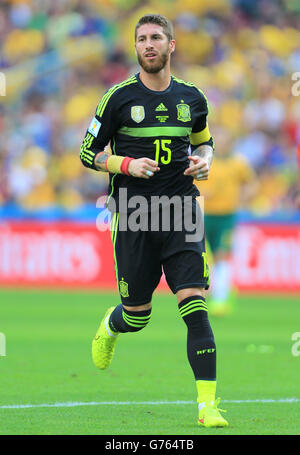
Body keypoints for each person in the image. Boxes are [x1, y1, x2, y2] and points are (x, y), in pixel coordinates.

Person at [80, 14, 228, 428]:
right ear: (135, 47)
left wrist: (206, 162)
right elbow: (87, 152)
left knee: (195, 306)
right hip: (133, 218)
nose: (149, 44)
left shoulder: (193, 98)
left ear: (171, 46)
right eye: (142, 38)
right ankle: (112, 327)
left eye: (156, 37)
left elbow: (204, 140)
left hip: (182, 212)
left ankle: (207, 406)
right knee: (137, 316)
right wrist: (125, 163)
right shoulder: (117, 98)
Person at [195, 127, 257, 317]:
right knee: (200, 256)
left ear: (230, 142)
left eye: (224, 140)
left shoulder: (239, 164)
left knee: (222, 255)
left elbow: (252, 184)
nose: (221, 143)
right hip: (203, 215)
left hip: (226, 217)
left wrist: (243, 199)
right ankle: (200, 296)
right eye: (218, 140)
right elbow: (190, 183)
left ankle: (220, 300)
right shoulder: (204, 160)